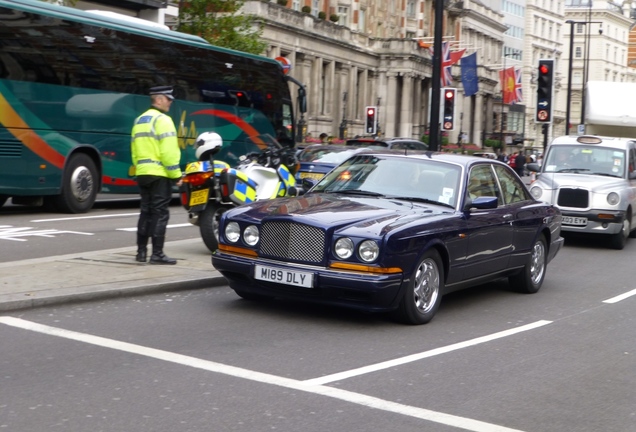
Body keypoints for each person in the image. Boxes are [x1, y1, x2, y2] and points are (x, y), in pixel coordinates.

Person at [131, 86, 183, 265]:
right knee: (160, 213)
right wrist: (176, 175)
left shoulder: (139, 120)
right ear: (159, 100)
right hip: (159, 174)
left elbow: (134, 150)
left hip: (142, 173)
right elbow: (168, 152)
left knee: (145, 212)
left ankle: (141, 252)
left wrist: (139, 168)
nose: (170, 102)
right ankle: (157, 254)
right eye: (168, 99)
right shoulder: (163, 120)